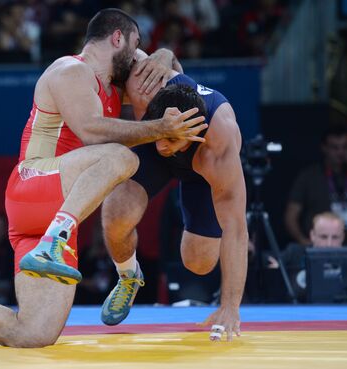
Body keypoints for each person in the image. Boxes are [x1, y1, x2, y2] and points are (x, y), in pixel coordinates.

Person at [0, 8, 205, 350]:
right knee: (121, 156)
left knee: (34, 333)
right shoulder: (70, 70)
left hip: (45, 221)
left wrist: (164, 55)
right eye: (137, 44)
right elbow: (91, 131)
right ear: (118, 38)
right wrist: (159, 128)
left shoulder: (115, 85)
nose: (139, 55)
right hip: (32, 185)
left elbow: (172, 80)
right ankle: (61, 241)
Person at [101, 52, 247, 341]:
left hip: (199, 167)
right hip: (153, 137)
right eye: (162, 137)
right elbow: (154, 58)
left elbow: (236, 228)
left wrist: (230, 307)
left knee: (198, 262)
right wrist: (165, 54)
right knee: (115, 214)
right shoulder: (144, 86)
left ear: (194, 132)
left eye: (171, 140)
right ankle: (129, 275)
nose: (163, 147)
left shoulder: (220, 144)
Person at [285, 124, 347, 246]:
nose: (340, 152)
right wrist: (302, 240)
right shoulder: (309, 176)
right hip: (321, 249)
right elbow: (291, 215)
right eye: (335, 148)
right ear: (324, 148)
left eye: (345, 147)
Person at [269, 212, 345, 300]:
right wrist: (275, 271)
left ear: (343, 237)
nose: (329, 244)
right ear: (312, 235)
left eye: (335, 237)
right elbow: (270, 262)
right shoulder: (294, 254)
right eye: (323, 237)